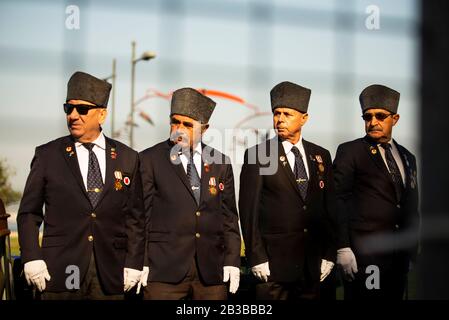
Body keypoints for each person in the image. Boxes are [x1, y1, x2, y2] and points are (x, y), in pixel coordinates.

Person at [17, 71, 145, 299]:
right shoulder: (48, 155)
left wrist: (134, 263)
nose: (73, 115)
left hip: (110, 274)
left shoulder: (128, 158)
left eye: (82, 109)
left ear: (102, 115)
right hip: (60, 270)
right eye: (69, 108)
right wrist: (31, 256)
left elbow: (135, 219)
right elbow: (28, 213)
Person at [138, 87, 241, 300]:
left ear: (204, 128)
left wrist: (232, 260)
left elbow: (229, 218)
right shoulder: (149, 160)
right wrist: (141, 261)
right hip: (163, 273)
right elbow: (141, 217)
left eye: (187, 124)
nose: (179, 129)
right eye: (175, 122)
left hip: (211, 274)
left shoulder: (220, 163)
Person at [239, 81, 336, 300]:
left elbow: (330, 208)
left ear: (304, 118)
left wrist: (330, 253)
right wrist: (256, 257)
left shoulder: (321, 155)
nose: (279, 119)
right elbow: (248, 211)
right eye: (276, 113)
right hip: (273, 269)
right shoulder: (259, 154)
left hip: (312, 267)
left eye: (287, 114)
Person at [333, 84, 419, 300]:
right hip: (364, 258)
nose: (373, 122)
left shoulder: (408, 158)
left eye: (380, 116)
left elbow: (411, 208)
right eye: (367, 117)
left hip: (398, 259)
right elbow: (337, 201)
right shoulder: (350, 151)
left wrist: (411, 251)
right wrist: (342, 247)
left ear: (395, 119)